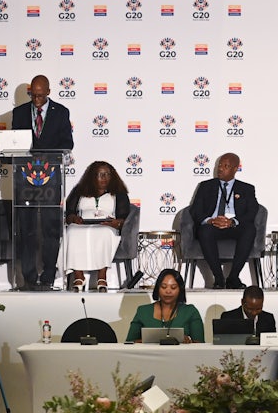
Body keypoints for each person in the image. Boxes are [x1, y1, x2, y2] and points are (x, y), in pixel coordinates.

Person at [11, 74, 75, 289]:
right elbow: (14, 143)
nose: (36, 100)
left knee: (51, 228)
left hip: (51, 177)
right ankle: (28, 277)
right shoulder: (19, 112)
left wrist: (47, 155)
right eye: (33, 95)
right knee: (26, 228)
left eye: (40, 95)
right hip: (25, 177)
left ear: (48, 92)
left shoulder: (61, 112)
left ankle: (48, 275)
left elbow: (68, 143)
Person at [189, 153, 259, 289]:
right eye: (219, 165)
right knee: (204, 231)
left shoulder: (247, 188)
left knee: (250, 230)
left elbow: (252, 211)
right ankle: (219, 278)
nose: (220, 169)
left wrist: (232, 222)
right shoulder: (205, 186)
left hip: (234, 226)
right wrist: (210, 221)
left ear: (235, 169)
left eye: (225, 166)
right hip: (213, 225)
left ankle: (233, 277)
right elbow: (195, 210)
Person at [64, 161, 130, 292]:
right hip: (82, 224)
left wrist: (117, 223)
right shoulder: (79, 191)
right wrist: (73, 218)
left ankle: (102, 277)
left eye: (107, 174)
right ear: (92, 176)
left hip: (107, 225)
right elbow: (69, 213)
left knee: (104, 232)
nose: (104, 178)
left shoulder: (119, 192)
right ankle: (79, 277)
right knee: (72, 232)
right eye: (100, 174)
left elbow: (125, 218)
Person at [126, 269, 204, 343]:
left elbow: (200, 345)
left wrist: (188, 341)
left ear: (180, 289)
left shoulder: (190, 312)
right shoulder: (143, 311)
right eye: (163, 287)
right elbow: (129, 342)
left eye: (173, 287)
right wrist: (147, 341)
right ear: (158, 288)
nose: (168, 291)